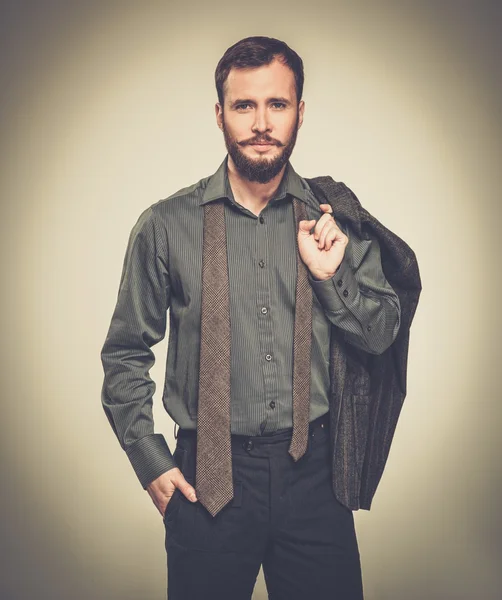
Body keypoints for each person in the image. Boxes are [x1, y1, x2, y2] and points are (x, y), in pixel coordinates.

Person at [100, 36, 405, 600]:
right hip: (207, 483)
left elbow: (382, 334)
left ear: (300, 113)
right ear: (219, 114)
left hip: (315, 480)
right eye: (244, 106)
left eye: (277, 105)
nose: (261, 123)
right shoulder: (165, 225)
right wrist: (150, 459)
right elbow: (124, 354)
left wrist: (330, 277)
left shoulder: (333, 220)